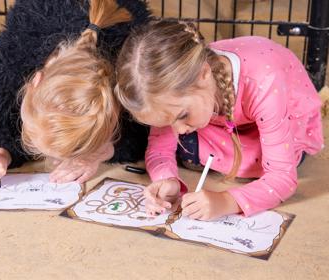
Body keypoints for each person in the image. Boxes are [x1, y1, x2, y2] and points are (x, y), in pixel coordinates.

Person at [115, 20, 324, 220]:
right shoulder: (171, 91)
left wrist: (226, 201)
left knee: (276, 160)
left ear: (204, 73)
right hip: (223, 125)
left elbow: (282, 178)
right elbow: (160, 150)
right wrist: (166, 180)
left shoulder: (264, 81)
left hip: (280, 121)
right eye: (165, 124)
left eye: (182, 116)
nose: (177, 130)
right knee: (184, 142)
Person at [0, 0, 151, 184]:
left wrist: (102, 151)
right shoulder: (6, 65)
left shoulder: (135, 67)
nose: (55, 163)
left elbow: (146, 132)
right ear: (34, 80)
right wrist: (0, 153)